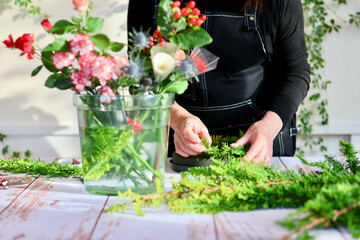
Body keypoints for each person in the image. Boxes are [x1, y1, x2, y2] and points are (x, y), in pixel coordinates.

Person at [127, 0, 310, 164]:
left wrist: (268, 127)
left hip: (259, 142)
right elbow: (140, 77)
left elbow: (296, 72)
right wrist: (177, 117)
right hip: (181, 141)